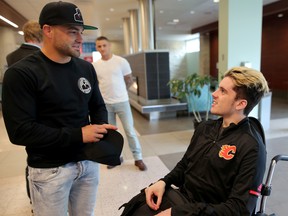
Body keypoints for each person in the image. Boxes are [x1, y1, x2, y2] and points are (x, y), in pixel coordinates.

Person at [2, 1, 117, 216]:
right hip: (49, 170)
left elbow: (97, 105)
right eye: (73, 32)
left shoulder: (85, 68)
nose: (81, 39)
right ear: (48, 31)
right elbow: (20, 132)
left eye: (81, 32)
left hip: (87, 163)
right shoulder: (21, 74)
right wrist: (78, 134)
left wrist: (101, 132)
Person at [124, 67, 270, 215]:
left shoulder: (251, 147)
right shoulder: (205, 128)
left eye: (223, 91)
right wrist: (164, 181)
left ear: (240, 104)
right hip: (183, 201)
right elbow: (185, 164)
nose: (214, 94)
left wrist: (178, 213)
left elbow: (239, 209)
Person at [93, 36, 147, 171]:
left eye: (104, 45)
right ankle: (117, 157)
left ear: (109, 45)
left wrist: (122, 91)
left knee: (130, 131)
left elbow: (128, 80)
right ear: (97, 48)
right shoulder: (95, 66)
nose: (102, 48)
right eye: (99, 46)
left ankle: (138, 158)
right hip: (106, 104)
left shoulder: (121, 61)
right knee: (111, 134)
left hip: (122, 102)